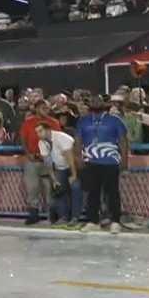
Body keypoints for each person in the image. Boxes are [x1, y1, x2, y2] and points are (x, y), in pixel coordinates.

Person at [75, 95, 129, 234]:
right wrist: (78, 158)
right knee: (92, 192)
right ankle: (93, 221)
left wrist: (124, 160)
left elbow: (123, 141)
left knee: (112, 192)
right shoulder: (83, 121)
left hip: (110, 161)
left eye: (98, 100)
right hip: (91, 161)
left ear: (104, 103)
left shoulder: (115, 120)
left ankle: (115, 221)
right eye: (93, 100)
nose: (95, 102)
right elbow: (78, 140)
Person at [18, 99, 60, 224]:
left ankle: (53, 214)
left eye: (46, 107)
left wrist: (49, 155)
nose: (44, 110)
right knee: (32, 186)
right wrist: (28, 153)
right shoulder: (28, 123)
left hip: (48, 160)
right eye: (41, 107)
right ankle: (34, 214)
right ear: (36, 109)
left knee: (50, 187)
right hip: (32, 159)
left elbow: (57, 140)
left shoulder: (54, 123)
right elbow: (23, 139)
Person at [37, 124, 80, 227]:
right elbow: (48, 163)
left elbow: (70, 159)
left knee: (75, 187)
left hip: (74, 165)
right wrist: (54, 179)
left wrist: (73, 175)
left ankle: (75, 218)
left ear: (48, 130)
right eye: (37, 132)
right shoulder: (42, 143)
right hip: (60, 167)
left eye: (40, 131)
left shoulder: (61, 138)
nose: (38, 134)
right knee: (58, 188)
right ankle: (63, 217)